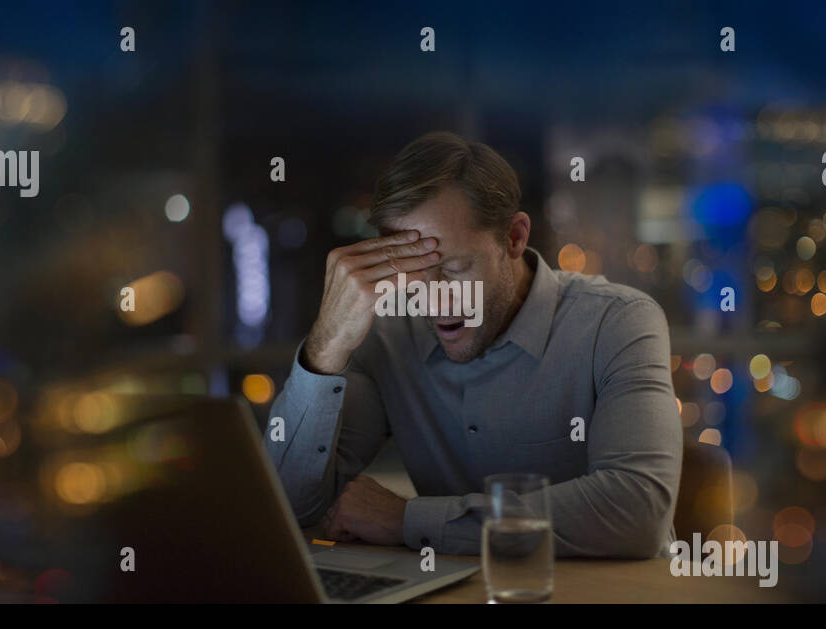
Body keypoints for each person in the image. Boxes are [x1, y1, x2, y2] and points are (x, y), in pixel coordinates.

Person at [265, 131, 682, 558]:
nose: (432, 298)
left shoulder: (618, 322)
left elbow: (637, 512)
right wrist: (325, 347)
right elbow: (291, 507)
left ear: (515, 238)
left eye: (455, 267)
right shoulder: (388, 338)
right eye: (410, 275)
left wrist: (408, 520)